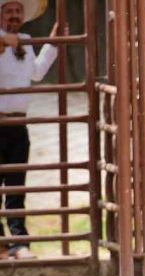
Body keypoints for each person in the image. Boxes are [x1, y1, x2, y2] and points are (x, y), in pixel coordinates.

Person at [0, 0, 62, 260]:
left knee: (16, 187)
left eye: (18, 11)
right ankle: (5, 244)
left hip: (18, 123)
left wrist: (53, 42)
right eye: (9, 11)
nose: (15, 15)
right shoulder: (8, 40)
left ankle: (17, 242)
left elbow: (36, 73)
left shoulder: (24, 39)